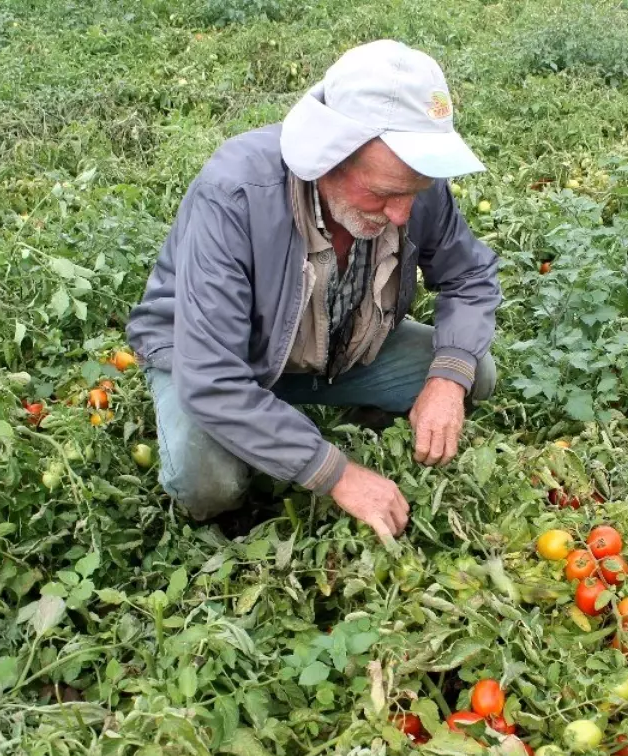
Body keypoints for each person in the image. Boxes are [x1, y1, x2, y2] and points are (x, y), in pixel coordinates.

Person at [126, 39, 501, 544]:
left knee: (471, 370)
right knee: (207, 481)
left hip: (335, 347)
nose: (400, 214)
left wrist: (447, 381)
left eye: (413, 193)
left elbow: (470, 277)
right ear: (327, 158)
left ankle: (348, 416)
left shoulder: (413, 185)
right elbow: (213, 375)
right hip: (216, 359)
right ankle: (242, 494)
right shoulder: (236, 195)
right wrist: (336, 474)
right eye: (383, 193)